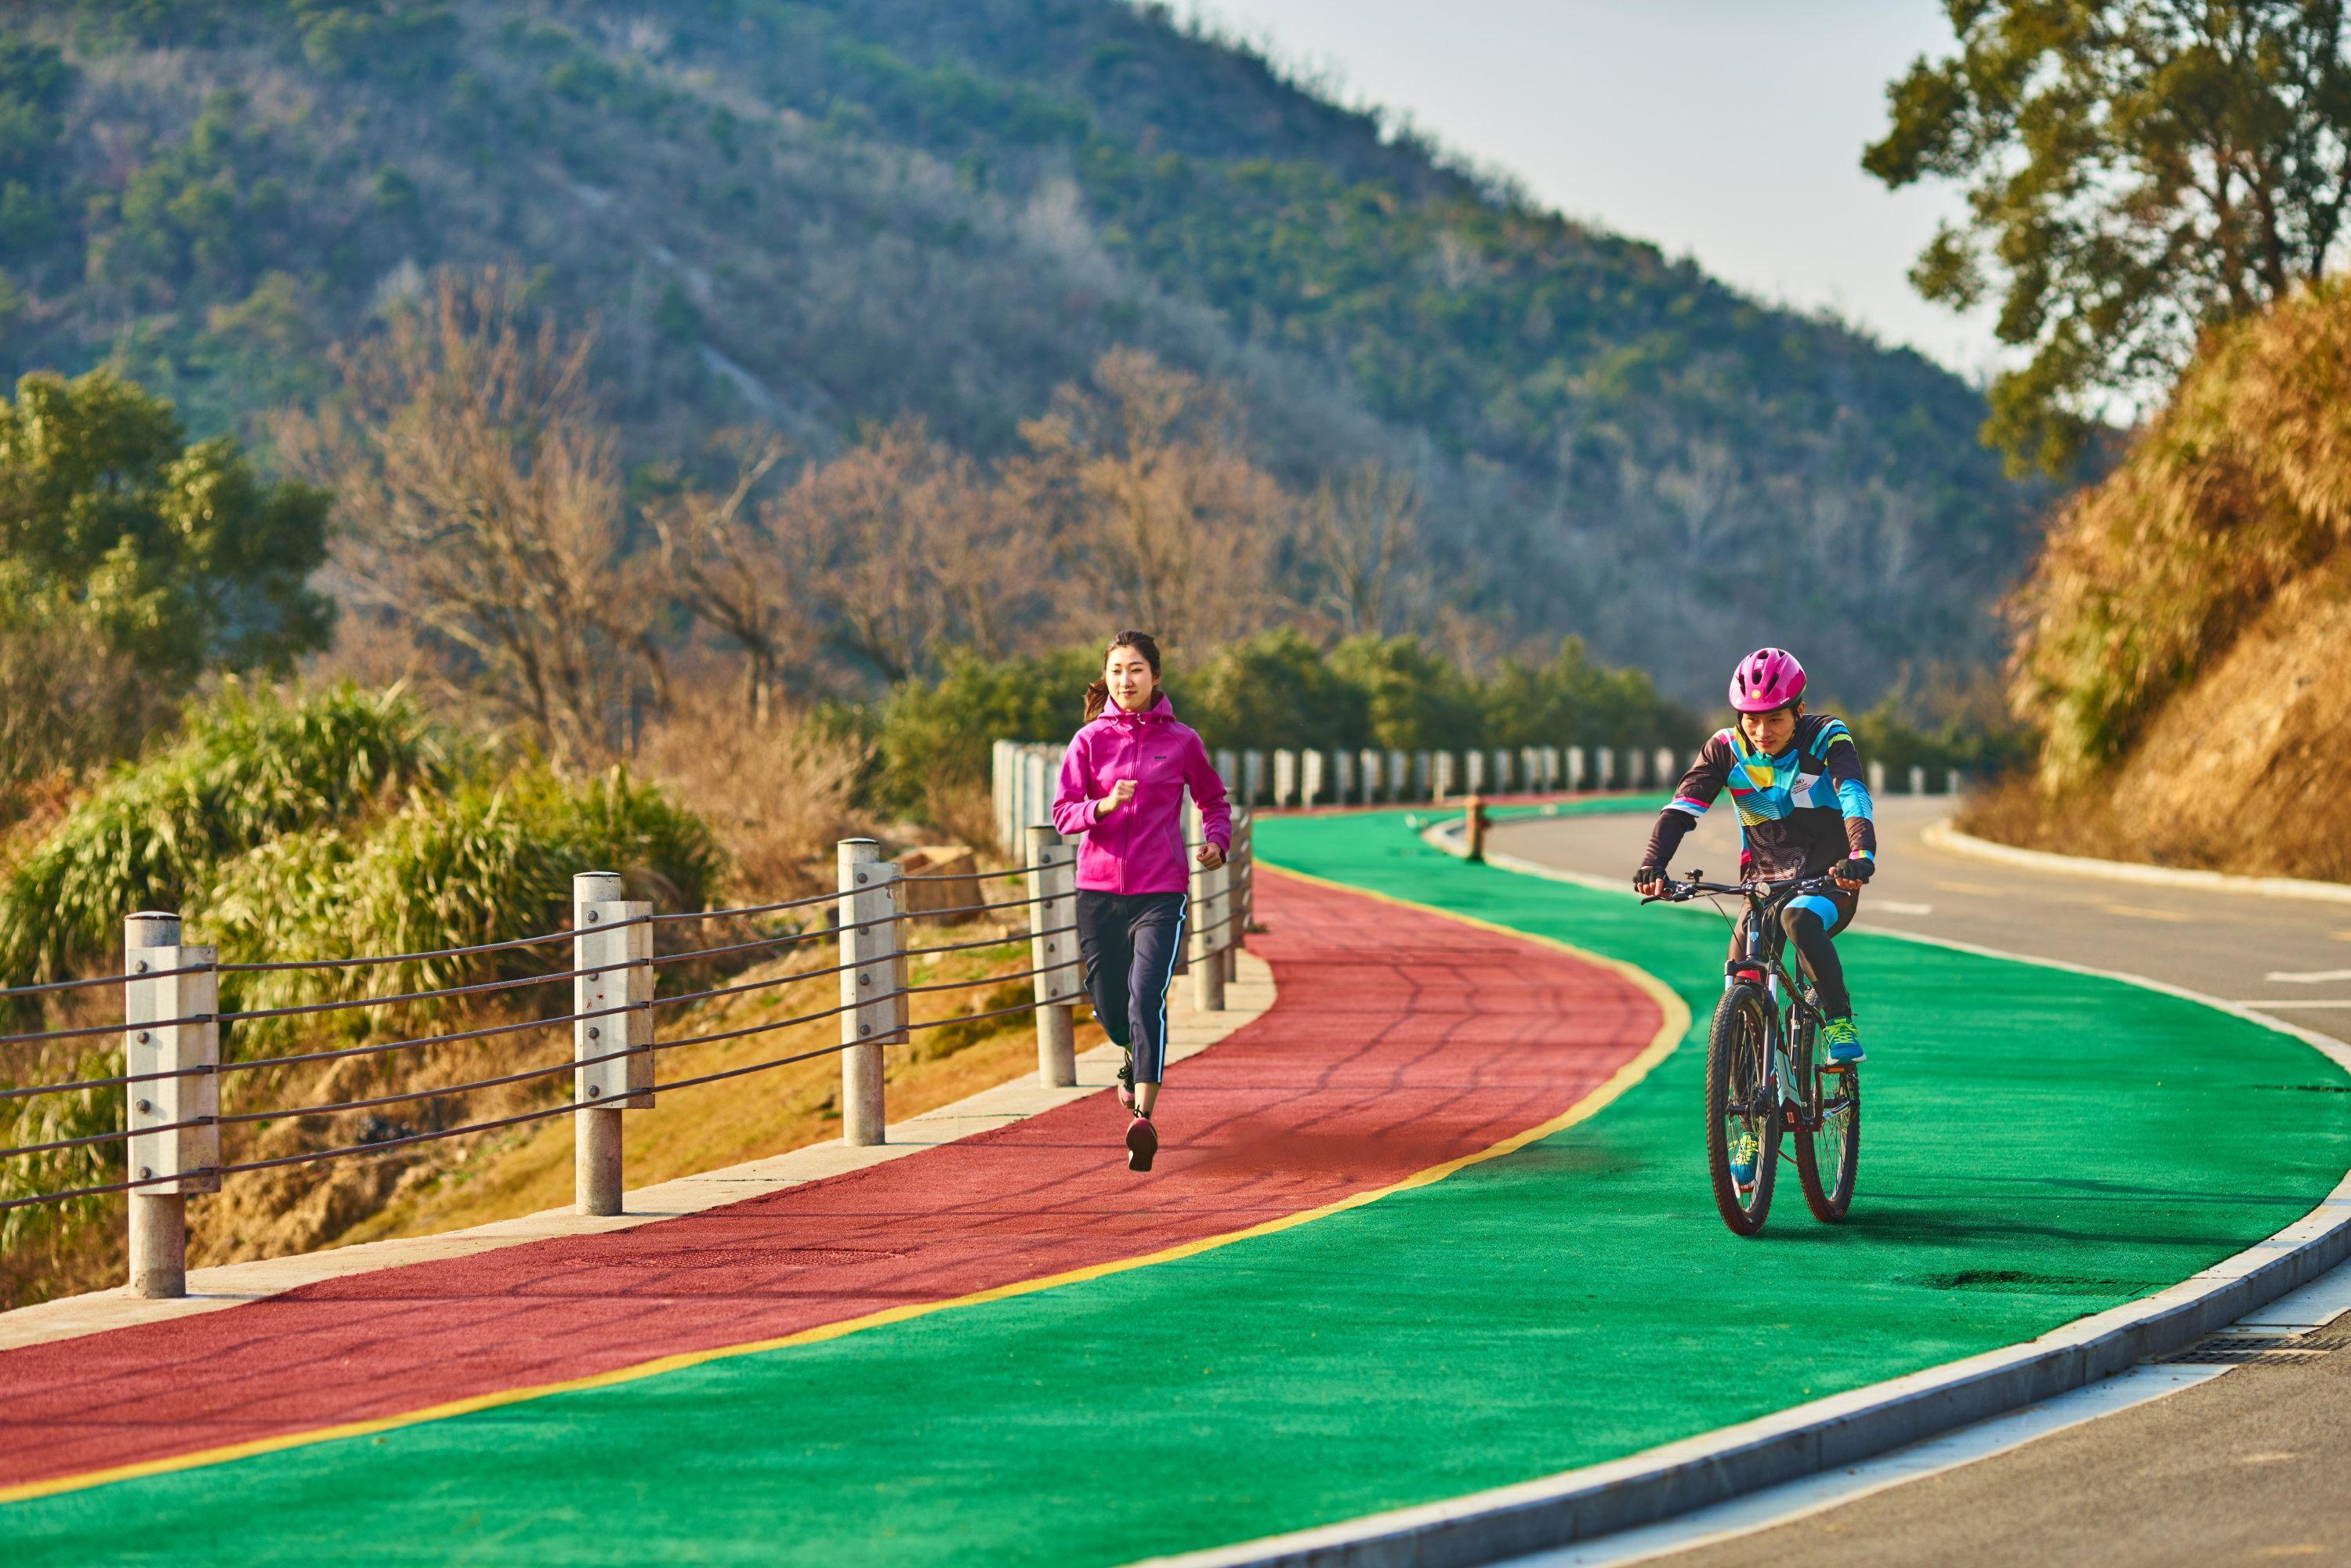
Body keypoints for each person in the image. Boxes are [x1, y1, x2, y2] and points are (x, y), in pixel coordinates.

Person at [1634, 646, 1877, 1078]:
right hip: (1763, 886)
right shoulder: (1725, 749)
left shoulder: (1827, 737)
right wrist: (1654, 864)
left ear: (1799, 710)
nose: (1762, 731)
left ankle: (1839, 1023)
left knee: (1799, 920)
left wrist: (1860, 855)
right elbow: (1681, 810)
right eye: (1752, 719)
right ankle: (1748, 1130)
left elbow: (1852, 794)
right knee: (1742, 983)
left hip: (1830, 880)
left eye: (1775, 719)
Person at [1052, 631, 1230, 1173]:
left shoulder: (1182, 741)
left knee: (1146, 994)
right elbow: (1063, 813)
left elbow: (1212, 800)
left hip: (1161, 888)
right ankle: (1130, 1055)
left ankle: (1143, 1118)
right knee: (1110, 1004)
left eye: (1135, 670)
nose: (1125, 680)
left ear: (1155, 676)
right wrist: (1102, 806)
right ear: (1105, 679)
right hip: (1098, 891)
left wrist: (1216, 840)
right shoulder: (1088, 741)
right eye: (1116, 671)